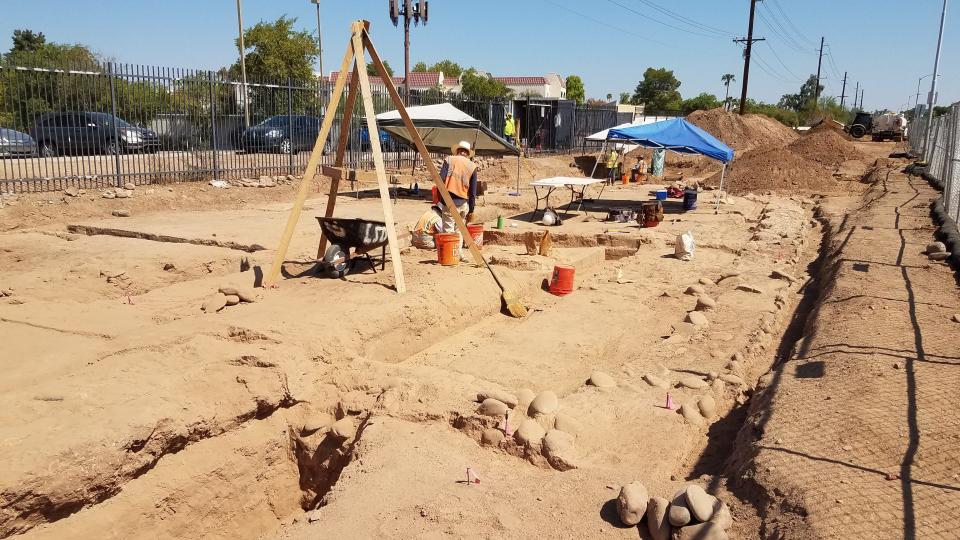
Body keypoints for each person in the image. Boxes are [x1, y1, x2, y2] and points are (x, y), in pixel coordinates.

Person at [438, 141, 478, 256]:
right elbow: (473, 192)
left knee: (448, 230)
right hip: (463, 203)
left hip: (449, 201)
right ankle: (458, 254)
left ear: (457, 151)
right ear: (467, 153)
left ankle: (449, 255)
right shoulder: (472, 166)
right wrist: (471, 211)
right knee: (459, 230)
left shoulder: (449, 160)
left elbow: (440, 180)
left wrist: (441, 199)